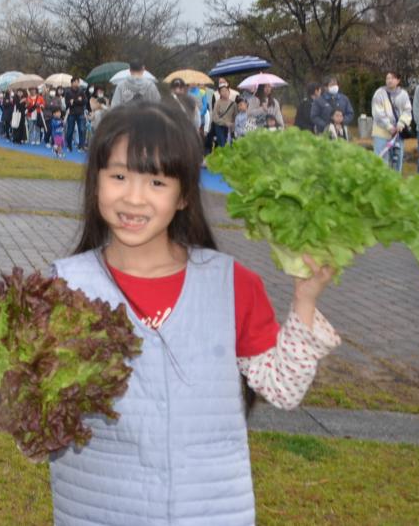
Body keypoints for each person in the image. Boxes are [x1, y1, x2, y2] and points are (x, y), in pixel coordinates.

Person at [48, 103, 339, 524]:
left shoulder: (231, 284)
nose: (133, 196)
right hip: (98, 511)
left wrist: (306, 301)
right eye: (118, 176)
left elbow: (282, 389)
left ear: (184, 194)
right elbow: (36, 414)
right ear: (95, 182)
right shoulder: (64, 288)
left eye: (156, 181)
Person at [371, 70, 414, 170]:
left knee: (397, 159)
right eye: (387, 78)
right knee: (381, 160)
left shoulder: (403, 94)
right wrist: (389, 126)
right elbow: (377, 113)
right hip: (381, 132)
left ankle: (396, 182)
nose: (389, 80)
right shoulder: (379, 93)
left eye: (392, 78)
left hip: (398, 133)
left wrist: (401, 123)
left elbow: (407, 111)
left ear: (398, 80)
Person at [206, 78, 240, 151]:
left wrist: (232, 125)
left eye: (226, 91)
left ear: (229, 91)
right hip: (220, 126)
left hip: (230, 128)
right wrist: (225, 123)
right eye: (222, 91)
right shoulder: (218, 103)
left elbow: (236, 116)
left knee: (231, 144)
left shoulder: (233, 104)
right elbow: (215, 117)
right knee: (223, 144)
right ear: (219, 93)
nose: (224, 92)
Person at [65, 84, 90, 151]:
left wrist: (75, 101)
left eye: (77, 82)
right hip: (72, 113)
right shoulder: (68, 92)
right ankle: (69, 145)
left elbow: (85, 101)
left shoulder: (82, 93)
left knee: (82, 130)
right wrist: (76, 101)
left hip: (81, 113)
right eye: (75, 82)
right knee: (70, 130)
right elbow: (68, 104)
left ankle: (81, 146)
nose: (76, 83)